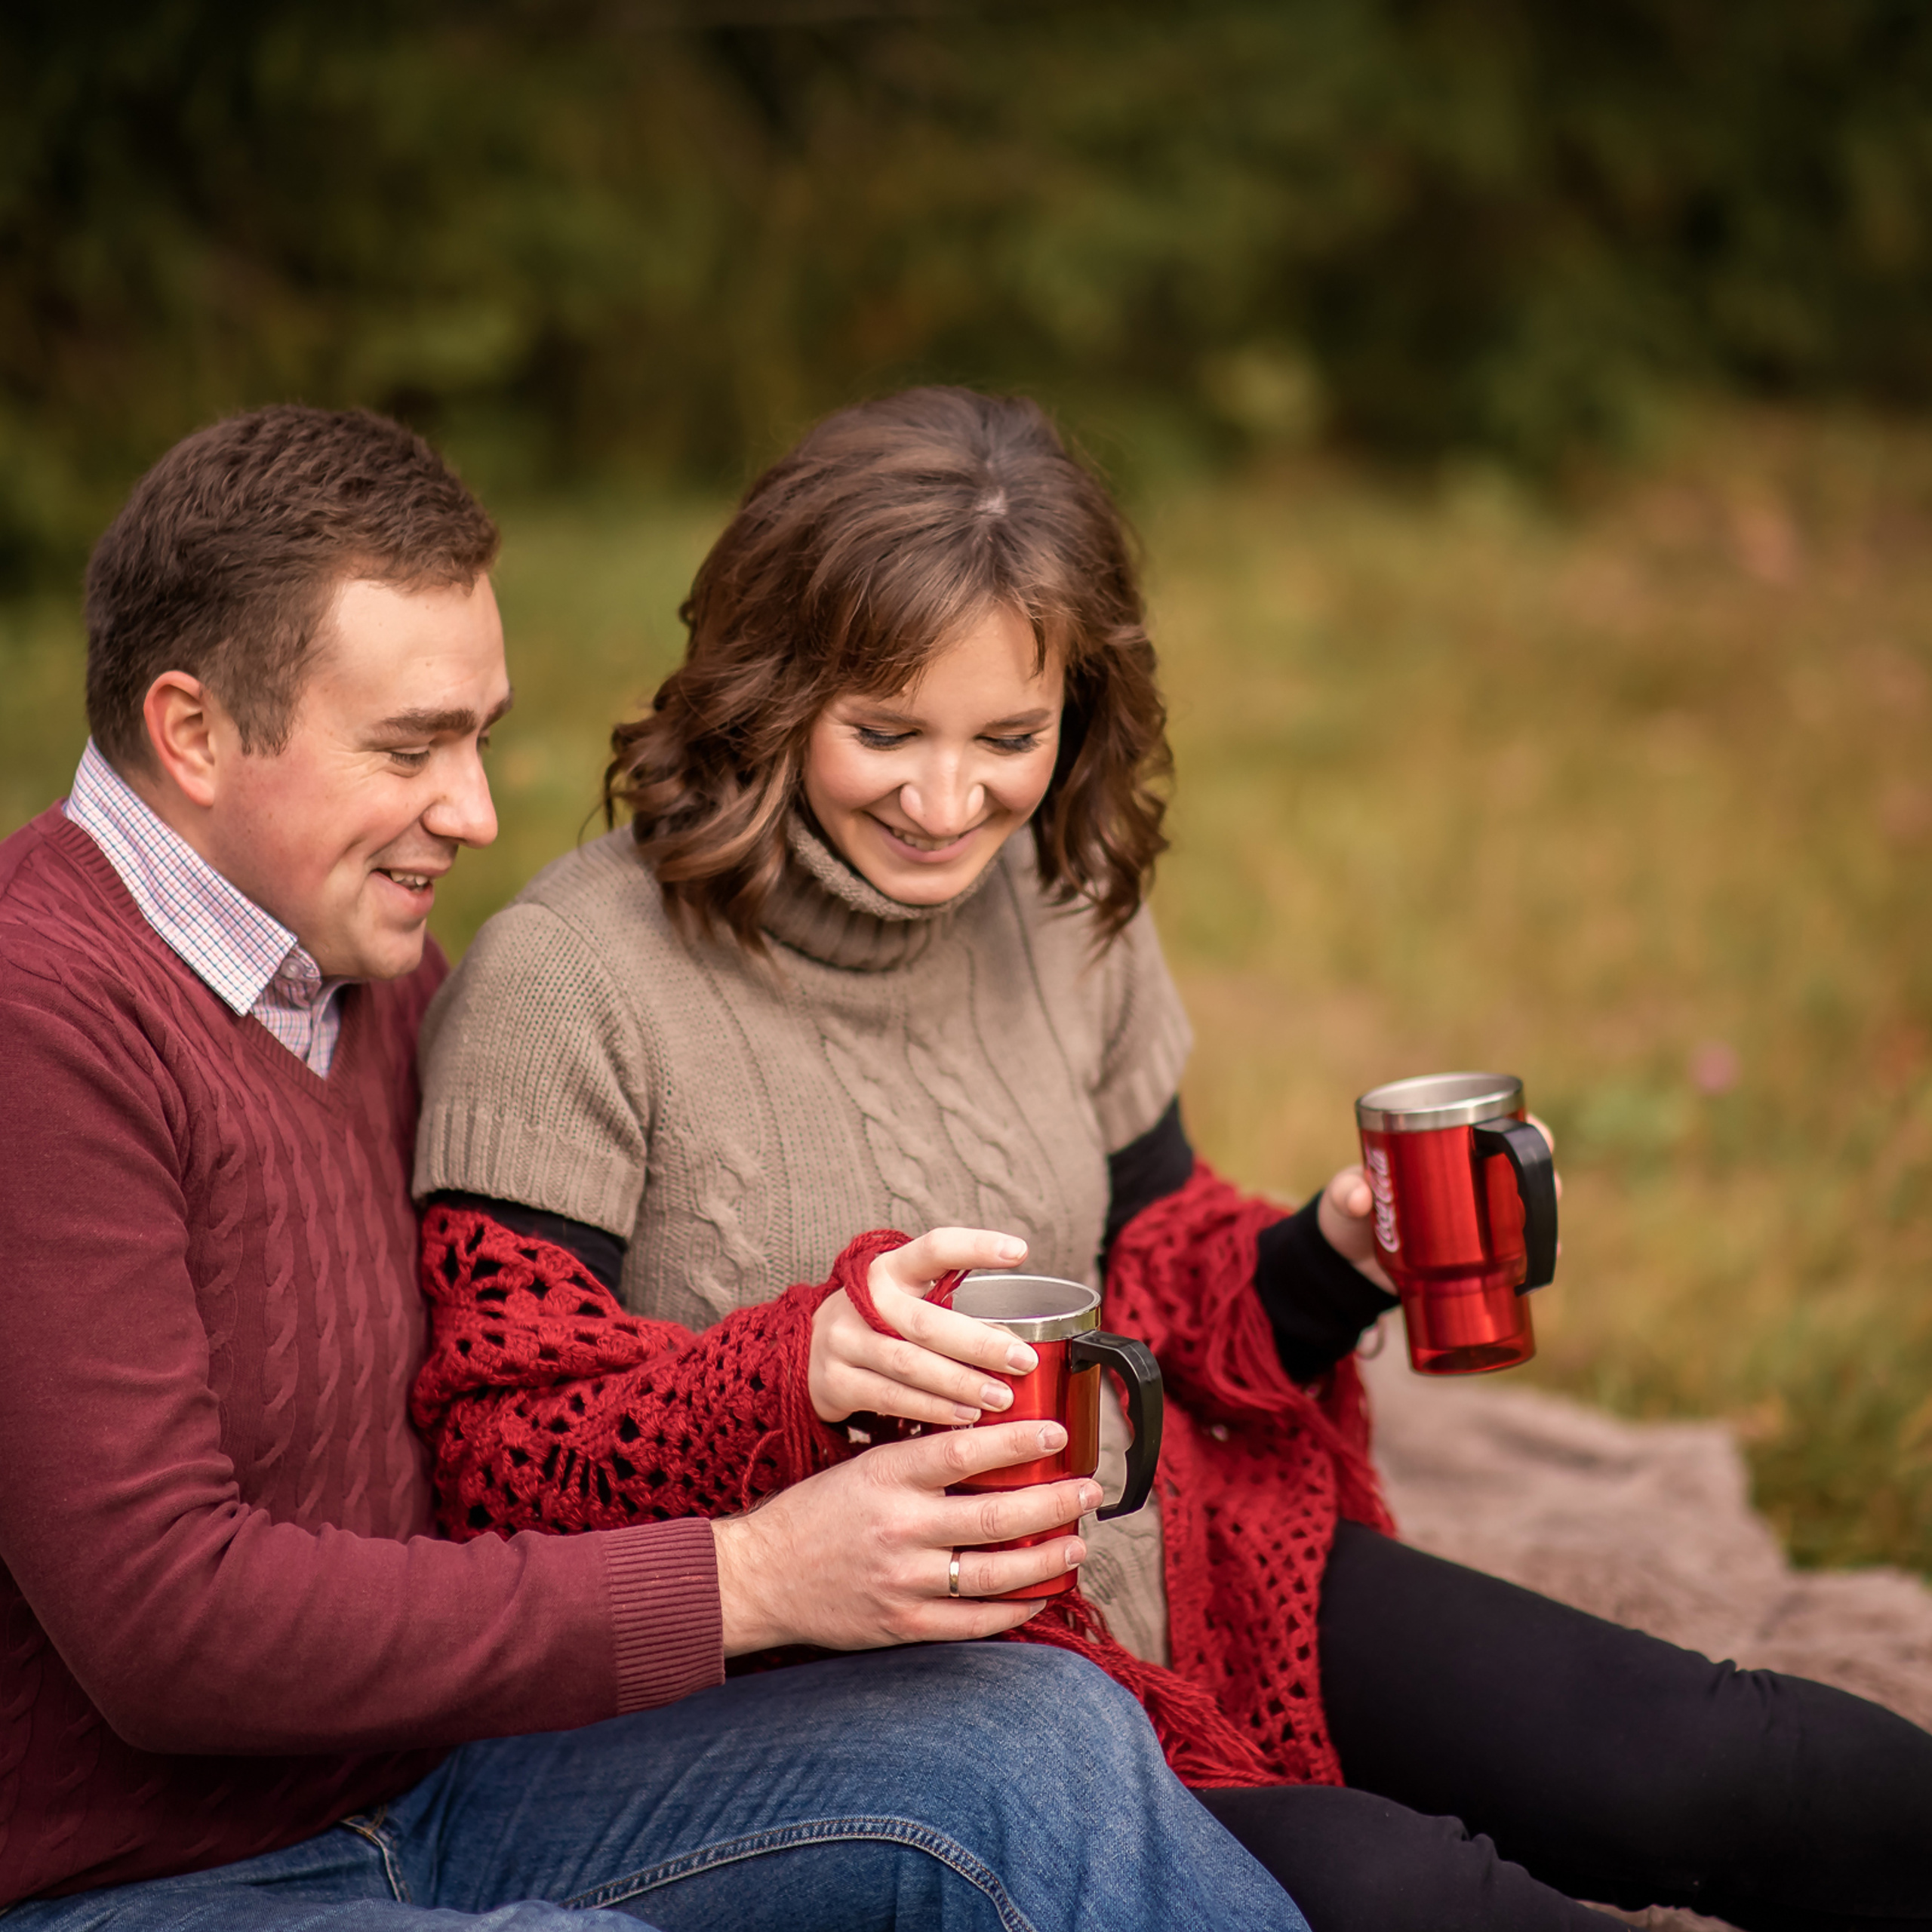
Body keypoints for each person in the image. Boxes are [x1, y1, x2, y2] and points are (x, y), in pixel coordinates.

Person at [413, 386, 1932, 1932]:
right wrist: (795, 1371)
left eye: (1009, 736)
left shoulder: (1059, 897)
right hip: (890, 1697)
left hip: (1183, 1549)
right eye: (883, 733)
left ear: (1079, 707)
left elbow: (1153, 1261)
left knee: (1730, 1759)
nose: (949, 807)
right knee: (1426, 1897)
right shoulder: (568, 980)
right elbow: (500, 1464)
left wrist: (1331, 1257)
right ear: (766, 687)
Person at [0, 403, 1314, 1932]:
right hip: (143, 1880)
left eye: (478, 736)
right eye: (409, 748)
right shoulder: (44, 1029)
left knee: (1030, 1732)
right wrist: (749, 1576)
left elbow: (529, 1383)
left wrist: (803, 1367)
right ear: (193, 733)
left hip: (450, 1781)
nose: (474, 811)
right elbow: (168, 1624)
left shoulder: (352, 961)